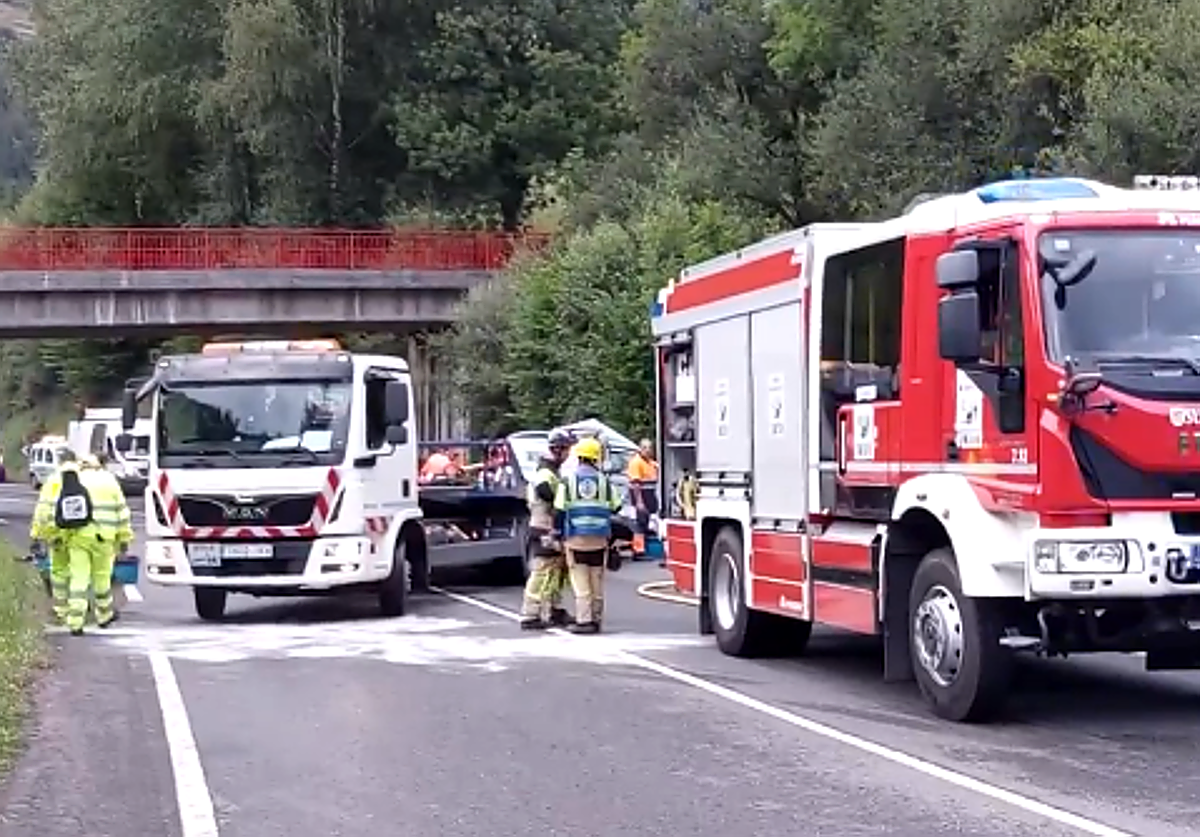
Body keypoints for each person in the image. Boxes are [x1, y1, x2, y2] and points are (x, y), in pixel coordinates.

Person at [30, 451, 133, 636]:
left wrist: (52, 533)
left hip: (78, 536)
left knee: (79, 576)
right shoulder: (109, 480)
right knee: (102, 576)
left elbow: (59, 507)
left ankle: (75, 621)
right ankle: (104, 615)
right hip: (104, 537)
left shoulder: (75, 479)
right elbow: (122, 512)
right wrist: (124, 538)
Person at [554, 436, 623, 634]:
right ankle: (597, 618)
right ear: (596, 458)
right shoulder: (604, 481)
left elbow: (559, 510)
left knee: (580, 580)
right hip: (600, 538)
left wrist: (558, 535)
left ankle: (585, 621)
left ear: (579, 457)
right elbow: (616, 507)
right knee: (596, 580)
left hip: (576, 538)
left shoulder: (568, 481)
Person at [519, 429, 574, 630]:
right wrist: (562, 500)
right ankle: (530, 614)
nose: (569, 454)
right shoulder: (545, 472)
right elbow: (544, 491)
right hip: (543, 528)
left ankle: (553, 609)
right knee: (542, 571)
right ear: (559, 449)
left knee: (556, 571)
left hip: (549, 528)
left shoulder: (552, 471)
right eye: (567, 449)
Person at [30, 449, 78, 625]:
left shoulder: (52, 481)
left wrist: (36, 535)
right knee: (80, 570)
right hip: (79, 533)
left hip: (56, 533)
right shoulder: (84, 478)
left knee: (58, 570)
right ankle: (79, 606)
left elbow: (42, 511)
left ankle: (61, 609)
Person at [625, 438, 659, 556]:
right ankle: (638, 551)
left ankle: (646, 549)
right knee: (639, 524)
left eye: (650, 447)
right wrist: (639, 502)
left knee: (646, 524)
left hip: (649, 496)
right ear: (640, 449)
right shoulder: (636, 462)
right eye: (645, 448)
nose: (648, 450)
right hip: (641, 497)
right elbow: (636, 484)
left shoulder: (651, 463)